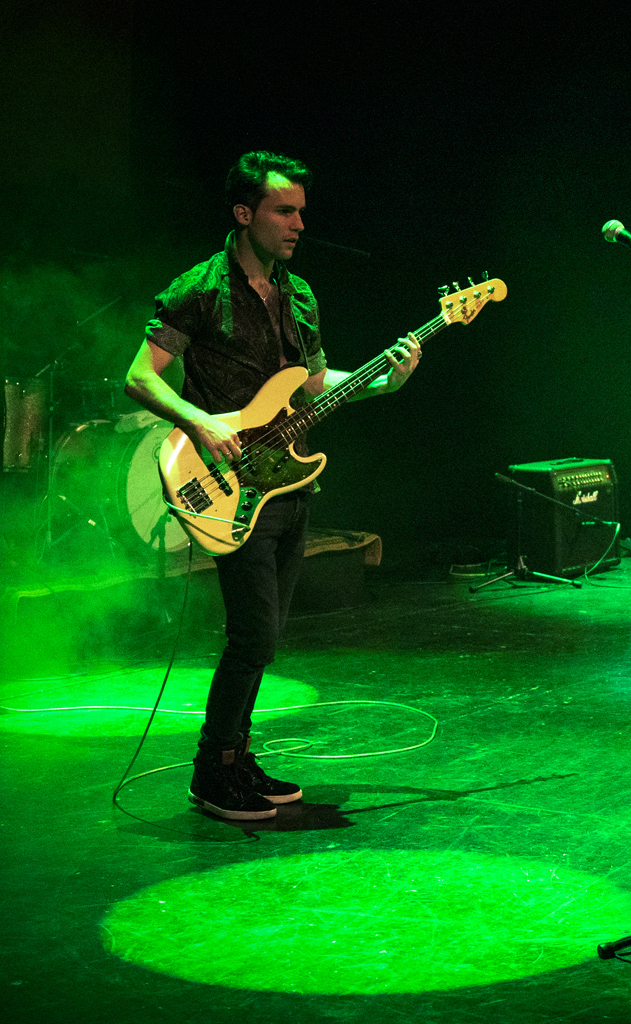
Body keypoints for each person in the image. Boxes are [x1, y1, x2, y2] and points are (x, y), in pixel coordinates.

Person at [124, 151, 421, 821]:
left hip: (287, 483)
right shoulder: (200, 289)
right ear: (244, 213)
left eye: (301, 212)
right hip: (228, 485)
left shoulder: (300, 294)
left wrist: (382, 381)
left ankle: (236, 756)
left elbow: (313, 387)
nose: (298, 224)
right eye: (284, 211)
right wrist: (199, 421)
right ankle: (212, 771)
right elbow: (139, 375)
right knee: (252, 637)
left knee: (265, 637)